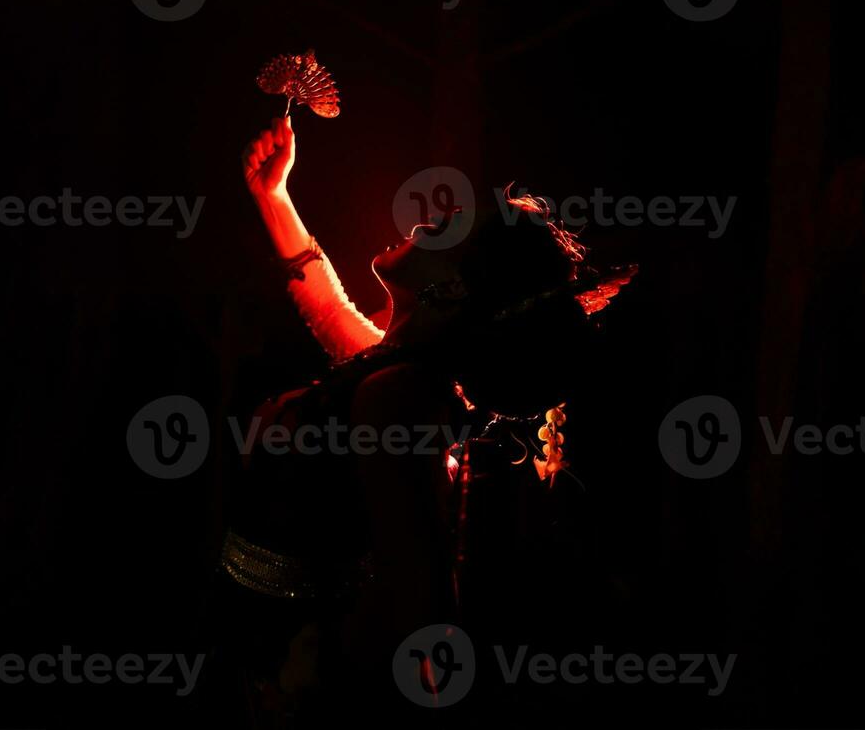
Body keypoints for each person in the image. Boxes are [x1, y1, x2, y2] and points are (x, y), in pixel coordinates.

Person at [209, 115, 632, 723]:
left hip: (292, 690)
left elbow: (422, 598)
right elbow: (328, 312)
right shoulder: (393, 370)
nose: (429, 217)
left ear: (455, 288)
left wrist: (316, 673)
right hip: (264, 661)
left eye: (450, 228)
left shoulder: (399, 397)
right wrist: (273, 195)